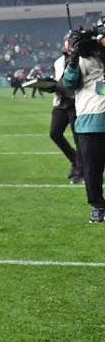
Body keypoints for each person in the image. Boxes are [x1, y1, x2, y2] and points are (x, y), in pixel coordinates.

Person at [61, 20, 105, 223]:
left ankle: (97, 207)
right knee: (92, 167)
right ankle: (97, 206)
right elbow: (69, 83)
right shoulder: (82, 60)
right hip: (90, 119)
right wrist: (72, 59)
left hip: (90, 120)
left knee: (92, 167)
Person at [51, 34, 82, 184]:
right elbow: (59, 80)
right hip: (61, 102)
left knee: (78, 138)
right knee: (54, 133)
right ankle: (76, 161)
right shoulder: (58, 62)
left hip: (76, 102)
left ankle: (80, 170)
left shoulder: (81, 60)